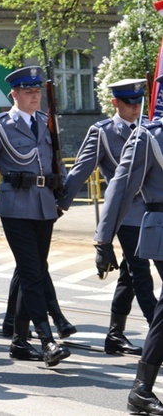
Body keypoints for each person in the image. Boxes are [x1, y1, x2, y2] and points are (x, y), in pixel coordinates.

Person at [0, 65, 71, 367]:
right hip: (15, 208)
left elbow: (56, 162)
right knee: (30, 272)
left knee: (36, 272)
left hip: (44, 207)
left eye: (37, 90)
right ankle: (47, 339)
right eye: (28, 91)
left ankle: (19, 341)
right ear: (14, 93)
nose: (34, 95)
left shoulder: (46, 122)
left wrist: (62, 199)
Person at [60, 78, 157, 357]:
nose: (136, 108)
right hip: (125, 216)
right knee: (141, 274)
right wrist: (60, 205)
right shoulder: (103, 132)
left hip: (152, 213)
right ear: (115, 102)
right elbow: (80, 170)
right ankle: (156, 333)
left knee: (128, 274)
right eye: (129, 103)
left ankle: (115, 335)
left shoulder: (150, 128)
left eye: (139, 102)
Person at [93, 81, 163, 413]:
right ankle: (141, 389)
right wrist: (103, 240)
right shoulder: (149, 137)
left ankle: (142, 390)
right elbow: (120, 189)